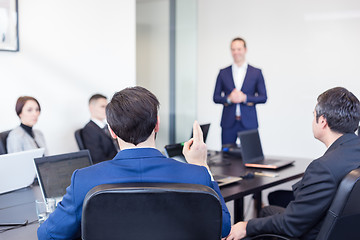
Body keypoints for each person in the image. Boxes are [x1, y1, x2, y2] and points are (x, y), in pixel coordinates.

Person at [37, 86, 231, 239]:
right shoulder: (196, 175)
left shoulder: (84, 180)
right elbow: (223, 228)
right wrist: (201, 164)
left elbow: (48, 235)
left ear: (111, 131)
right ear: (157, 124)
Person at [225, 87, 360, 240]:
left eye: (313, 115)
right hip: (345, 230)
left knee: (264, 214)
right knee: (276, 199)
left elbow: (290, 225)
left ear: (322, 121)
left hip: (315, 233)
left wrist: (246, 226)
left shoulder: (323, 168)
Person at [213, 37, 267, 145]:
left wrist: (245, 98)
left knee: (251, 156)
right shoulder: (223, 72)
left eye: (239, 49)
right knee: (226, 157)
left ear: (245, 50)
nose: (236, 52)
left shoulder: (256, 72)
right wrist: (229, 99)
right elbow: (216, 97)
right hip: (228, 123)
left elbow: (263, 97)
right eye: (233, 49)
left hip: (249, 122)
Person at [82, 94, 119, 164]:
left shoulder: (107, 126)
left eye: (107, 106)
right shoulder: (89, 130)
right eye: (102, 107)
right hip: (110, 166)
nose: (106, 109)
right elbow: (98, 159)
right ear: (91, 108)